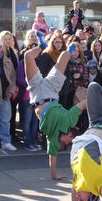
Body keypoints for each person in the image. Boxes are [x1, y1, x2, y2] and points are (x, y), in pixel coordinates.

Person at [24, 32, 86, 180]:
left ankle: (42, 46)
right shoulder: (70, 121)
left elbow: (52, 157)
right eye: (70, 140)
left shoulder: (53, 138)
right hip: (52, 91)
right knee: (65, 55)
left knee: (27, 56)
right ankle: (67, 47)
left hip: (36, 93)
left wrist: (54, 175)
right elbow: (83, 104)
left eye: (68, 143)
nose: (69, 141)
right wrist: (99, 104)